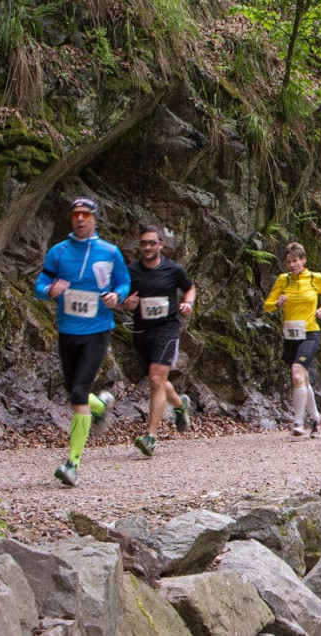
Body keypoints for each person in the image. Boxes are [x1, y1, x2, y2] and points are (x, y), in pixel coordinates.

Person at [35, 197, 130, 486]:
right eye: (75, 214)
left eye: (85, 214)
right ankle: (100, 405)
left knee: (78, 393)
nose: (79, 219)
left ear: (95, 219)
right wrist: (50, 290)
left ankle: (72, 464)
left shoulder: (110, 252)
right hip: (68, 332)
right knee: (75, 393)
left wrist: (117, 296)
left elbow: (124, 283)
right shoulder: (58, 252)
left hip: (98, 330)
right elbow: (40, 285)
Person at [121, 226, 195, 456]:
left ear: (161, 245)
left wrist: (188, 303)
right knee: (159, 381)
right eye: (144, 243)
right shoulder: (131, 271)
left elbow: (189, 287)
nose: (147, 247)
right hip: (142, 332)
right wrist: (127, 303)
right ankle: (181, 405)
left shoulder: (173, 270)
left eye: (152, 243)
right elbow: (123, 297)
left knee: (155, 380)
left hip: (167, 329)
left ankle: (151, 437)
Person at [263, 242, 321, 438]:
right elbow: (267, 306)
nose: (292, 265)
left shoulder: (315, 278)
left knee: (297, 374)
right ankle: (316, 419)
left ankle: (298, 421)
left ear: (303, 260)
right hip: (290, 336)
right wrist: (277, 303)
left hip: (311, 333)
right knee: (302, 379)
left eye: (295, 261)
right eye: (288, 262)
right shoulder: (283, 280)